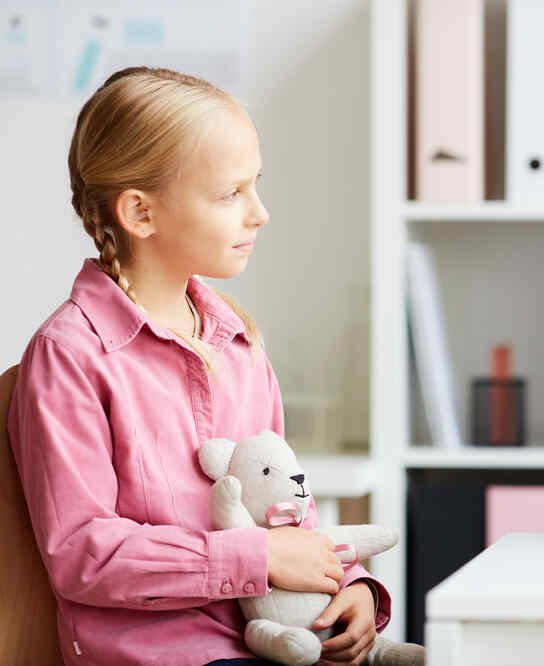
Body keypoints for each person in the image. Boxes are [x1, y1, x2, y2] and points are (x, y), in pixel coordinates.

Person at [7, 67, 388, 666]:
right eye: (230, 193)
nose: (259, 212)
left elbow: (286, 504)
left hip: (275, 642)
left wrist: (350, 585)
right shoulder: (69, 355)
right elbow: (84, 552)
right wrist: (254, 560)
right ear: (140, 213)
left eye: (255, 186)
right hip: (160, 655)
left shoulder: (240, 343)